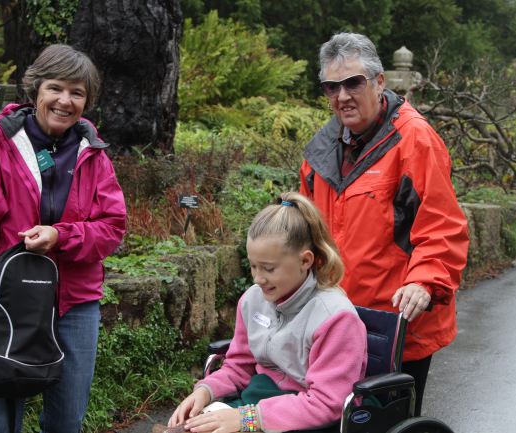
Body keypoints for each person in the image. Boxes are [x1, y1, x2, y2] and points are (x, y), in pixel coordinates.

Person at [0, 44, 126, 433]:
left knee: (66, 419)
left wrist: (61, 236)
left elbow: (112, 226)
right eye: (55, 88)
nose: (65, 100)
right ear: (35, 89)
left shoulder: (93, 153)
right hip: (4, 302)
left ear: (87, 101)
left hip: (74, 303)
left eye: (77, 92)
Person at [300, 33, 469, 416]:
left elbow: (442, 226)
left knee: (389, 422)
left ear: (379, 82)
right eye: (332, 86)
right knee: (336, 418)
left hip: (395, 326)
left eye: (353, 82)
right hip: (335, 321)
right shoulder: (322, 147)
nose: (342, 96)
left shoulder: (415, 141)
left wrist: (423, 282)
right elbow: (306, 230)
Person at [167, 192, 367, 433]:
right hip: (261, 398)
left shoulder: (337, 318)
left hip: (314, 418)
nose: (258, 278)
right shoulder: (252, 300)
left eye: (269, 269)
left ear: (305, 261)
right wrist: (205, 390)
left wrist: (247, 419)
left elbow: (327, 403)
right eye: (253, 266)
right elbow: (239, 366)